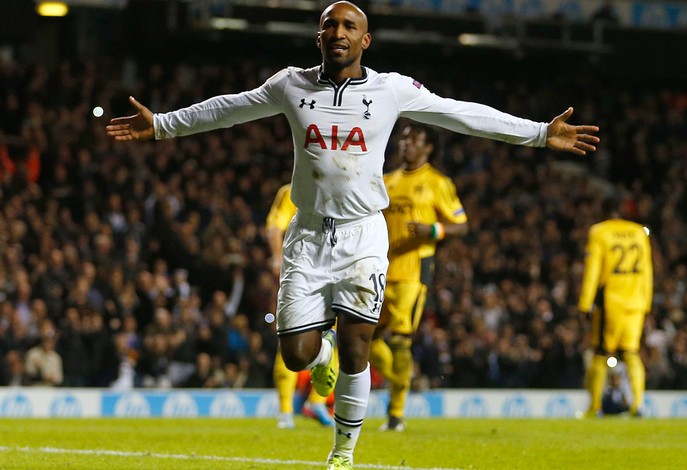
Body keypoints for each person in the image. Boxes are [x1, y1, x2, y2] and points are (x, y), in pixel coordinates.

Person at [107, 2, 599, 467]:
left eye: (348, 27)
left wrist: (538, 133)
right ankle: (321, 354)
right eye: (329, 25)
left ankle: (343, 451)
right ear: (318, 35)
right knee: (296, 354)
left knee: (359, 346)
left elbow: (459, 112)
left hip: (364, 236)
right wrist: (165, 125)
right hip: (307, 237)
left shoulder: (391, 90)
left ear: (366, 39)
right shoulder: (290, 85)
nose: (338, 33)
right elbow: (229, 107)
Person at [370, 122, 468, 431]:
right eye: (403, 138)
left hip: (414, 272)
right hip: (379, 269)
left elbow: (461, 224)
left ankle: (396, 414)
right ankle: (400, 377)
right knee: (366, 339)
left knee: (400, 340)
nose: (405, 143)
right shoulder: (386, 180)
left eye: (414, 140)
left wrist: (434, 230)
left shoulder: (437, 182)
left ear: (428, 148)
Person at [267, 183, 335, 429]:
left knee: (333, 336)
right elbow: (275, 227)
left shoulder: (341, 188)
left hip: (334, 272)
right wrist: (277, 257)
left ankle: (317, 401)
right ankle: (285, 411)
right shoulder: (292, 191)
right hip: (301, 273)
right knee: (290, 338)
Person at [578, 197, 652, 417]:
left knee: (600, 352)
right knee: (631, 352)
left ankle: (594, 407)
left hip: (611, 302)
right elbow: (648, 271)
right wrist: (646, 302)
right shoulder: (639, 232)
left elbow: (593, 269)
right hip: (636, 302)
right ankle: (638, 405)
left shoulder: (599, 232)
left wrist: (585, 303)